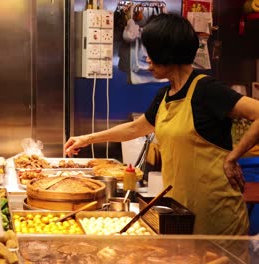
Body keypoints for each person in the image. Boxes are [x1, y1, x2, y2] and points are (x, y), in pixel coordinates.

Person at [65, 14, 259, 236]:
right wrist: (87, 139)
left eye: (151, 52)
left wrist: (233, 157)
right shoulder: (165, 95)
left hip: (216, 216)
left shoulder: (207, 90)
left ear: (168, 53)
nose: (147, 58)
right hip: (179, 212)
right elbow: (135, 129)